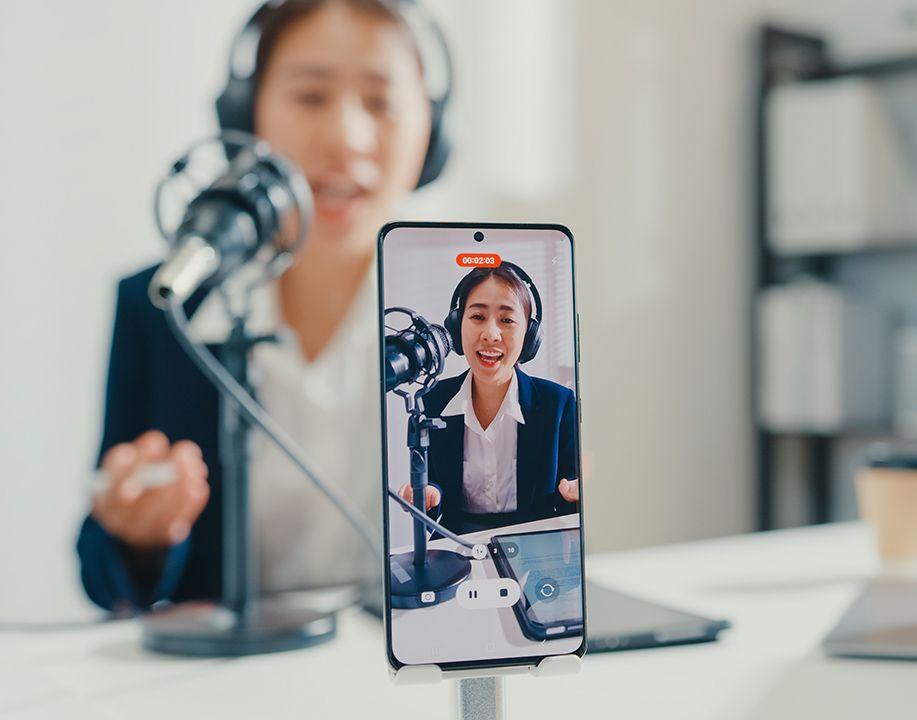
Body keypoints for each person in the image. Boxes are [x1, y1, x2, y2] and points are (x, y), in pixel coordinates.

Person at [77, 0, 443, 613]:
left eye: (380, 102)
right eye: (310, 96)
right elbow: (100, 575)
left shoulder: (469, 319)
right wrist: (139, 537)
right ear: (248, 116)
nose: (345, 137)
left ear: (433, 134)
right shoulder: (164, 306)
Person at [396, 263, 580, 533]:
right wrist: (426, 494)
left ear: (529, 335)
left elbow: (565, 509)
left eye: (506, 320)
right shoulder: (431, 400)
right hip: (457, 549)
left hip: (534, 548)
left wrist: (572, 495)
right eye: (478, 317)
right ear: (457, 327)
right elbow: (434, 490)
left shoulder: (559, 404)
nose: (490, 334)